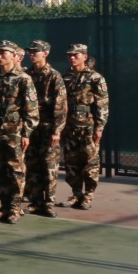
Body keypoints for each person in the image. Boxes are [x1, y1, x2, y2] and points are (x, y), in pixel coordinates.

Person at [0, 41, 40, 223]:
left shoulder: (23, 78)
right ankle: (4, 207)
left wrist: (26, 133)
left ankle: (15, 208)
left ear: (14, 56)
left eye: (4, 53)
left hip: (14, 133)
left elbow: (31, 110)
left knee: (15, 171)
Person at [61, 44, 110, 209]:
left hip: (88, 127)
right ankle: (76, 194)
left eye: (76, 55)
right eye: (70, 55)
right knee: (71, 162)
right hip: (69, 127)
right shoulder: (65, 77)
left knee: (90, 162)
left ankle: (88, 196)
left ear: (85, 57)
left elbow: (103, 104)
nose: (72, 58)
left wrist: (99, 127)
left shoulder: (95, 78)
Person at [24, 40, 68, 217]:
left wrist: (57, 131)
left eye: (35, 51)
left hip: (48, 128)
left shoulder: (54, 76)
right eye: (30, 51)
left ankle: (49, 203)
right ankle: (35, 202)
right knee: (32, 165)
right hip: (31, 128)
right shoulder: (27, 75)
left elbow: (61, 106)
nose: (31, 54)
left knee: (49, 167)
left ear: (45, 53)